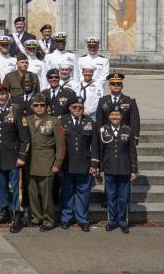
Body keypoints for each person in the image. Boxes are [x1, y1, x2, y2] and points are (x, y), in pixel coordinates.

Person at [0, 84, 30, 232]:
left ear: (8, 95)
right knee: (2, 186)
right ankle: (4, 211)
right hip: (0, 156)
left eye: (3, 94)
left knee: (17, 188)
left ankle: (18, 215)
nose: (1, 97)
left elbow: (25, 137)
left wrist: (22, 156)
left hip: (14, 157)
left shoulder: (16, 110)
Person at [26, 93, 65, 231]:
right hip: (30, 161)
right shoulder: (27, 120)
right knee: (33, 192)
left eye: (42, 105)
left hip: (47, 161)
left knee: (47, 194)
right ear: (32, 106)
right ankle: (36, 217)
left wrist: (57, 164)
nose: (39, 107)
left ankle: (48, 220)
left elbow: (61, 146)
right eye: (36, 105)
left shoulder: (54, 121)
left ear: (47, 107)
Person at [60, 97, 99, 232]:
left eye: (80, 107)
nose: (77, 110)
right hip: (67, 163)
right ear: (69, 108)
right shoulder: (62, 121)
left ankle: (82, 219)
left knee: (83, 192)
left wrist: (94, 163)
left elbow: (94, 145)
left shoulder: (90, 122)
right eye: (74, 107)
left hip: (84, 163)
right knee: (67, 192)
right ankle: (66, 218)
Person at [99, 104, 138, 233]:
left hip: (124, 168)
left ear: (121, 117)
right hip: (109, 168)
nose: (115, 117)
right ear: (109, 117)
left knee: (124, 196)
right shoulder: (103, 130)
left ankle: (122, 221)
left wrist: (134, 170)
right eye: (112, 115)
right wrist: (101, 169)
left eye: (117, 115)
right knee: (111, 196)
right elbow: (101, 151)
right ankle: (112, 221)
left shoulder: (128, 130)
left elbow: (132, 151)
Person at [96, 73, 140, 145]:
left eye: (118, 84)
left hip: (124, 135)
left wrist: (135, 136)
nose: (116, 85)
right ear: (109, 86)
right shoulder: (103, 101)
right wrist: (98, 135)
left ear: (122, 86)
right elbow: (99, 120)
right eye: (113, 84)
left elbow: (134, 120)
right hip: (107, 135)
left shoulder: (129, 101)